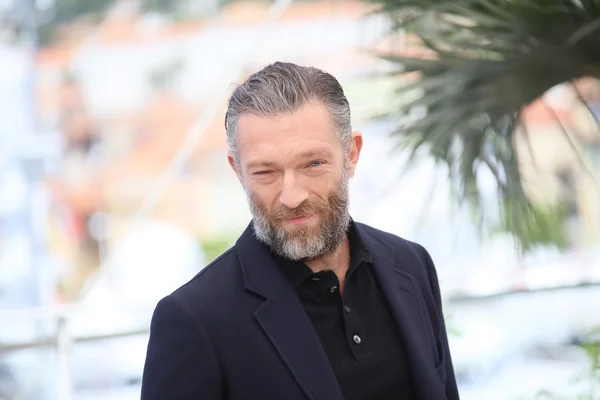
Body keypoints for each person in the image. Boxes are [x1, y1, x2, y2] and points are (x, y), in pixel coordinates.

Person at [141, 61, 460, 400]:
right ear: (238, 172)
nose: (292, 197)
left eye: (313, 164)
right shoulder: (194, 320)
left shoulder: (411, 264)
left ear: (351, 154)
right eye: (266, 172)